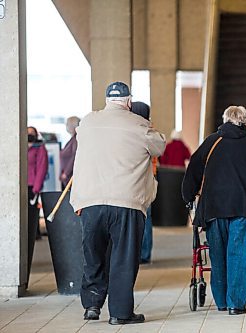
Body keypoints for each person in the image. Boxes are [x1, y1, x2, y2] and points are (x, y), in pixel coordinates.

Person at [70, 82, 166, 325]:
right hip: (126, 201)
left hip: (91, 201)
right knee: (124, 257)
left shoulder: (88, 123)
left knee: (94, 254)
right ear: (129, 102)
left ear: (106, 100)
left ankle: (92, 304)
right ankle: (120, 313)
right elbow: (159, 146)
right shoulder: (139, 124)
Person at [182, 105, 246, 315]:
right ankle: (236, 304)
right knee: (237, 254)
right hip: (244, 207)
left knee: (217, 254)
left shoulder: (211, 142)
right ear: (245, 121)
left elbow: (193, 169)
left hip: (213, 208)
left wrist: (188, 196)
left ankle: (222, 302)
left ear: (224, 120)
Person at [130, 101, 155, 264]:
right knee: (145, 217)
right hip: (147, 179)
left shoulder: (139, 131)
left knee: (140, 217)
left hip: (138, 180)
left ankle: (141, 253)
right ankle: (143, 253)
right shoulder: (149, 131)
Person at [27, 126, 48, 240]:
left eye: (32, 133)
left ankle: (34, 234)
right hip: (21, 186)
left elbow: (42, 168)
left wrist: (36, 188)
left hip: (32, 185)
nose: (29, 135)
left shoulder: (40, 148)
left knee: (32, 212)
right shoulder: (21, 146)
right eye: (27, 133)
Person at [59, 116, 80, 188]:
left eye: (67, 124)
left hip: (69, 177)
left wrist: (66, 173)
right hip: (67, 177)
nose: (66, 126)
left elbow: (74, 157)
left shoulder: (76, 140)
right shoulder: (73, 139)